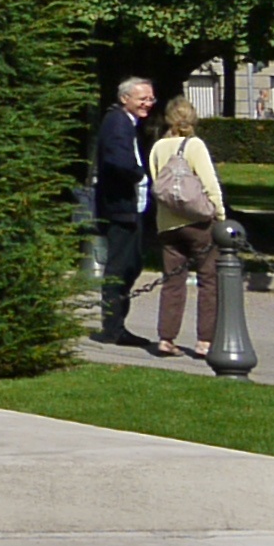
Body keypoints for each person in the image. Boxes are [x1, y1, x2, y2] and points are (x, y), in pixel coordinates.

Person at [147, 101, 230, 358]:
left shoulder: (158, 147)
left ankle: (166, 337)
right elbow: (210, 183)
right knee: (208, 280)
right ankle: (204, 340)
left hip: (167, 223)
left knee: (173, 282)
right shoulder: (194, 145)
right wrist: (220, 215)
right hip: (198, 223)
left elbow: (157, 182)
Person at [87, 76, 160, 348]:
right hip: (120, 209)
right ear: (125, 98)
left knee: (132, 265)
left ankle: (118, 325)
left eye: (151, 99)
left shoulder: (126, 122)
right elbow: (118, 161)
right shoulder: (118, 122)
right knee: (120, 268)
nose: (148, 104)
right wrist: (138, 173)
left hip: (129, 208)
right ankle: (112, 328)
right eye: (142, 99)